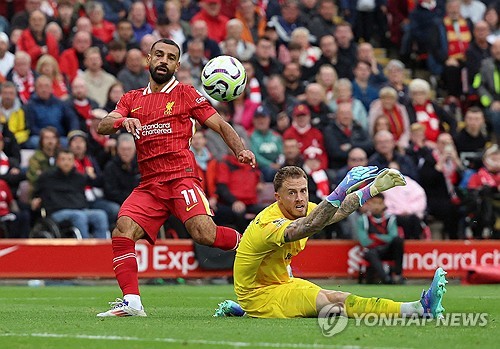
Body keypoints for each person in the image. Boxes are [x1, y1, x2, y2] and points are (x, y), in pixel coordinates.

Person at [95, 38, 256, 317]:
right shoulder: (131, 98)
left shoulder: (186, 94)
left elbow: (220, 124)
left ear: (177, 65)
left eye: (170, 58)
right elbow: (103, 125)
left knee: (205, 234)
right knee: (123, 229)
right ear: (148, 59)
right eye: (159, 55)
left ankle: (257, 244)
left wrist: (241, 150)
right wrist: (123, 120)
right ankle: (132, 302)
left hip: (181, 178)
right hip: (149, 185)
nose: (164, 61)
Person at [214, 165, 447, 319]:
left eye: (303, 191)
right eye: (292, 193)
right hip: (259, 294)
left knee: (329, 301)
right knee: (335, 302)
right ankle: (416, 309)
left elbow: (335, 212)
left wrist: (372, 189)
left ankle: (242, 311)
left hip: (282, 283)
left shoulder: (302, 209)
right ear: (277, 197)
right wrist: (339, 190)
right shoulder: (267, 225)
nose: (300, 198)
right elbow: (308, 226)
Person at [356, 193, 405, 284]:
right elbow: (364, 242)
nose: (376, 206)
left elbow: (393, 237)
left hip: (386, 250)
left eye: (379, 203)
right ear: (369, 204)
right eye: (374, 203)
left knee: (398, 241)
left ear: (383, 205)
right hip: (371, 251)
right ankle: (386, 279)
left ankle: (398, 275)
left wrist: (374, 237)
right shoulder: (363, 219)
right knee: (370, 253)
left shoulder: (390, 218)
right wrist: (384, 239)